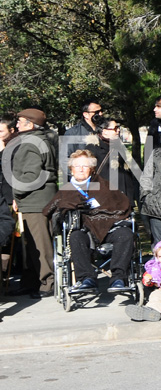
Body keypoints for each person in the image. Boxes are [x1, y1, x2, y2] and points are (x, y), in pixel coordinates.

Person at [42, 149, 134, 294]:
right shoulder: (65, 191)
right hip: (82, 230)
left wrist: (101, 212)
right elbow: (51, 211)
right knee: (75, 237)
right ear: (71, 169)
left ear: (91, 169)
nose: (80, 169)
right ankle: (87, 278)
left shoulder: (105, 185)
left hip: (108, 227)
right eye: (77, 165)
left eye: (85, 166)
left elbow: (122, 205)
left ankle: (118, 278)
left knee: (125, 234)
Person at [8, 108, 58, 298]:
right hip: (32, 200)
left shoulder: (31, 143)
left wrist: (17, 192)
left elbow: (31, 175)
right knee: (30, 246)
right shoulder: (34, 140)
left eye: (20, 121)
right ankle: (31, 282)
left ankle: (48, 282)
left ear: (30, 124)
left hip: (36, 201)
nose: (17, 124)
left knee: (40, 245)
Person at [86, 118, 138, 206]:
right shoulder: (92, 149)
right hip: (104, 198)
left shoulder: (119, 146)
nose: (118, 130)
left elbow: (125, 173)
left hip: (123, 196)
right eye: (115, 128)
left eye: (118, 128)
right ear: (104, 131)